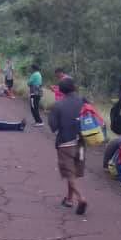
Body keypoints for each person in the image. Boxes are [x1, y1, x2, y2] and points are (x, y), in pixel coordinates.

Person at [49, 77, 88, 214]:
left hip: (66, 143)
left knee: (69, 173)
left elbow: (53, 127)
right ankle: (69, 199)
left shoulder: (58, 105)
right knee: (75, 172)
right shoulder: (82, 101)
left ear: (61, 90)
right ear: (74, 88)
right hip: (81, 143)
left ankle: (81, 198)